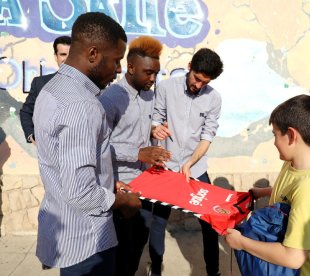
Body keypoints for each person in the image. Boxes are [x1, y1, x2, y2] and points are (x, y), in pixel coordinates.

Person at [32, 12, 142, 275]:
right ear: (93, 54)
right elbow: (81, 192)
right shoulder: (82, 105)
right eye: (116, 60)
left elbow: (65, 162)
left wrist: (106, 179)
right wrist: (123, 202)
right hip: (88, 241)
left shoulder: (52, 89)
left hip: (67, 234)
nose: (118, 70)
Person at [225, 94, 310, 275]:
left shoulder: (309, 188)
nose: (274, 142)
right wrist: (264, 191)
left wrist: (241, 242)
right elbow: (291, 198)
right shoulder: (292, 164)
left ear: (291, 135)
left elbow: (293, 258)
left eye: (275, 135)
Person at [99, 36, 171, 276]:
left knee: (138, 245)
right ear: (130, 67)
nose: (153, 79)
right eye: (148, 73)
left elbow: (140, 130)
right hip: (121, 188)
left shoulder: (150, 95)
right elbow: (97, 146)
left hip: (147, 183)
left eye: (156, 74)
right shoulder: (110, 99)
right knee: (120, 252)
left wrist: (154, 136)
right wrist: (138, 152)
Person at [151, 48, 224, 276]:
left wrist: (191, 163)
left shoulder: (214, 98)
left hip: (196, 168)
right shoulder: (165, 88)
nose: (199, 85)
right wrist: (155, 129)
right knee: (158, 222)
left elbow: (207, 136)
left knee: (209, 223)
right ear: (190, 66)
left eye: (205, 82)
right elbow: (154, 120)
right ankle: (155, 271)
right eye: (197, 79)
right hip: (166, 166)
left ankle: (213, 272)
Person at [20, 35, 71, 144]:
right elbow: (26, 111)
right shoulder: (40, 83)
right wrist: (31, 135)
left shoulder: (87, 84)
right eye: (63, 54)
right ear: (55, 56)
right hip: (48, 152)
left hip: (78, 152)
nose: (66, 59)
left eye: (70, 55)